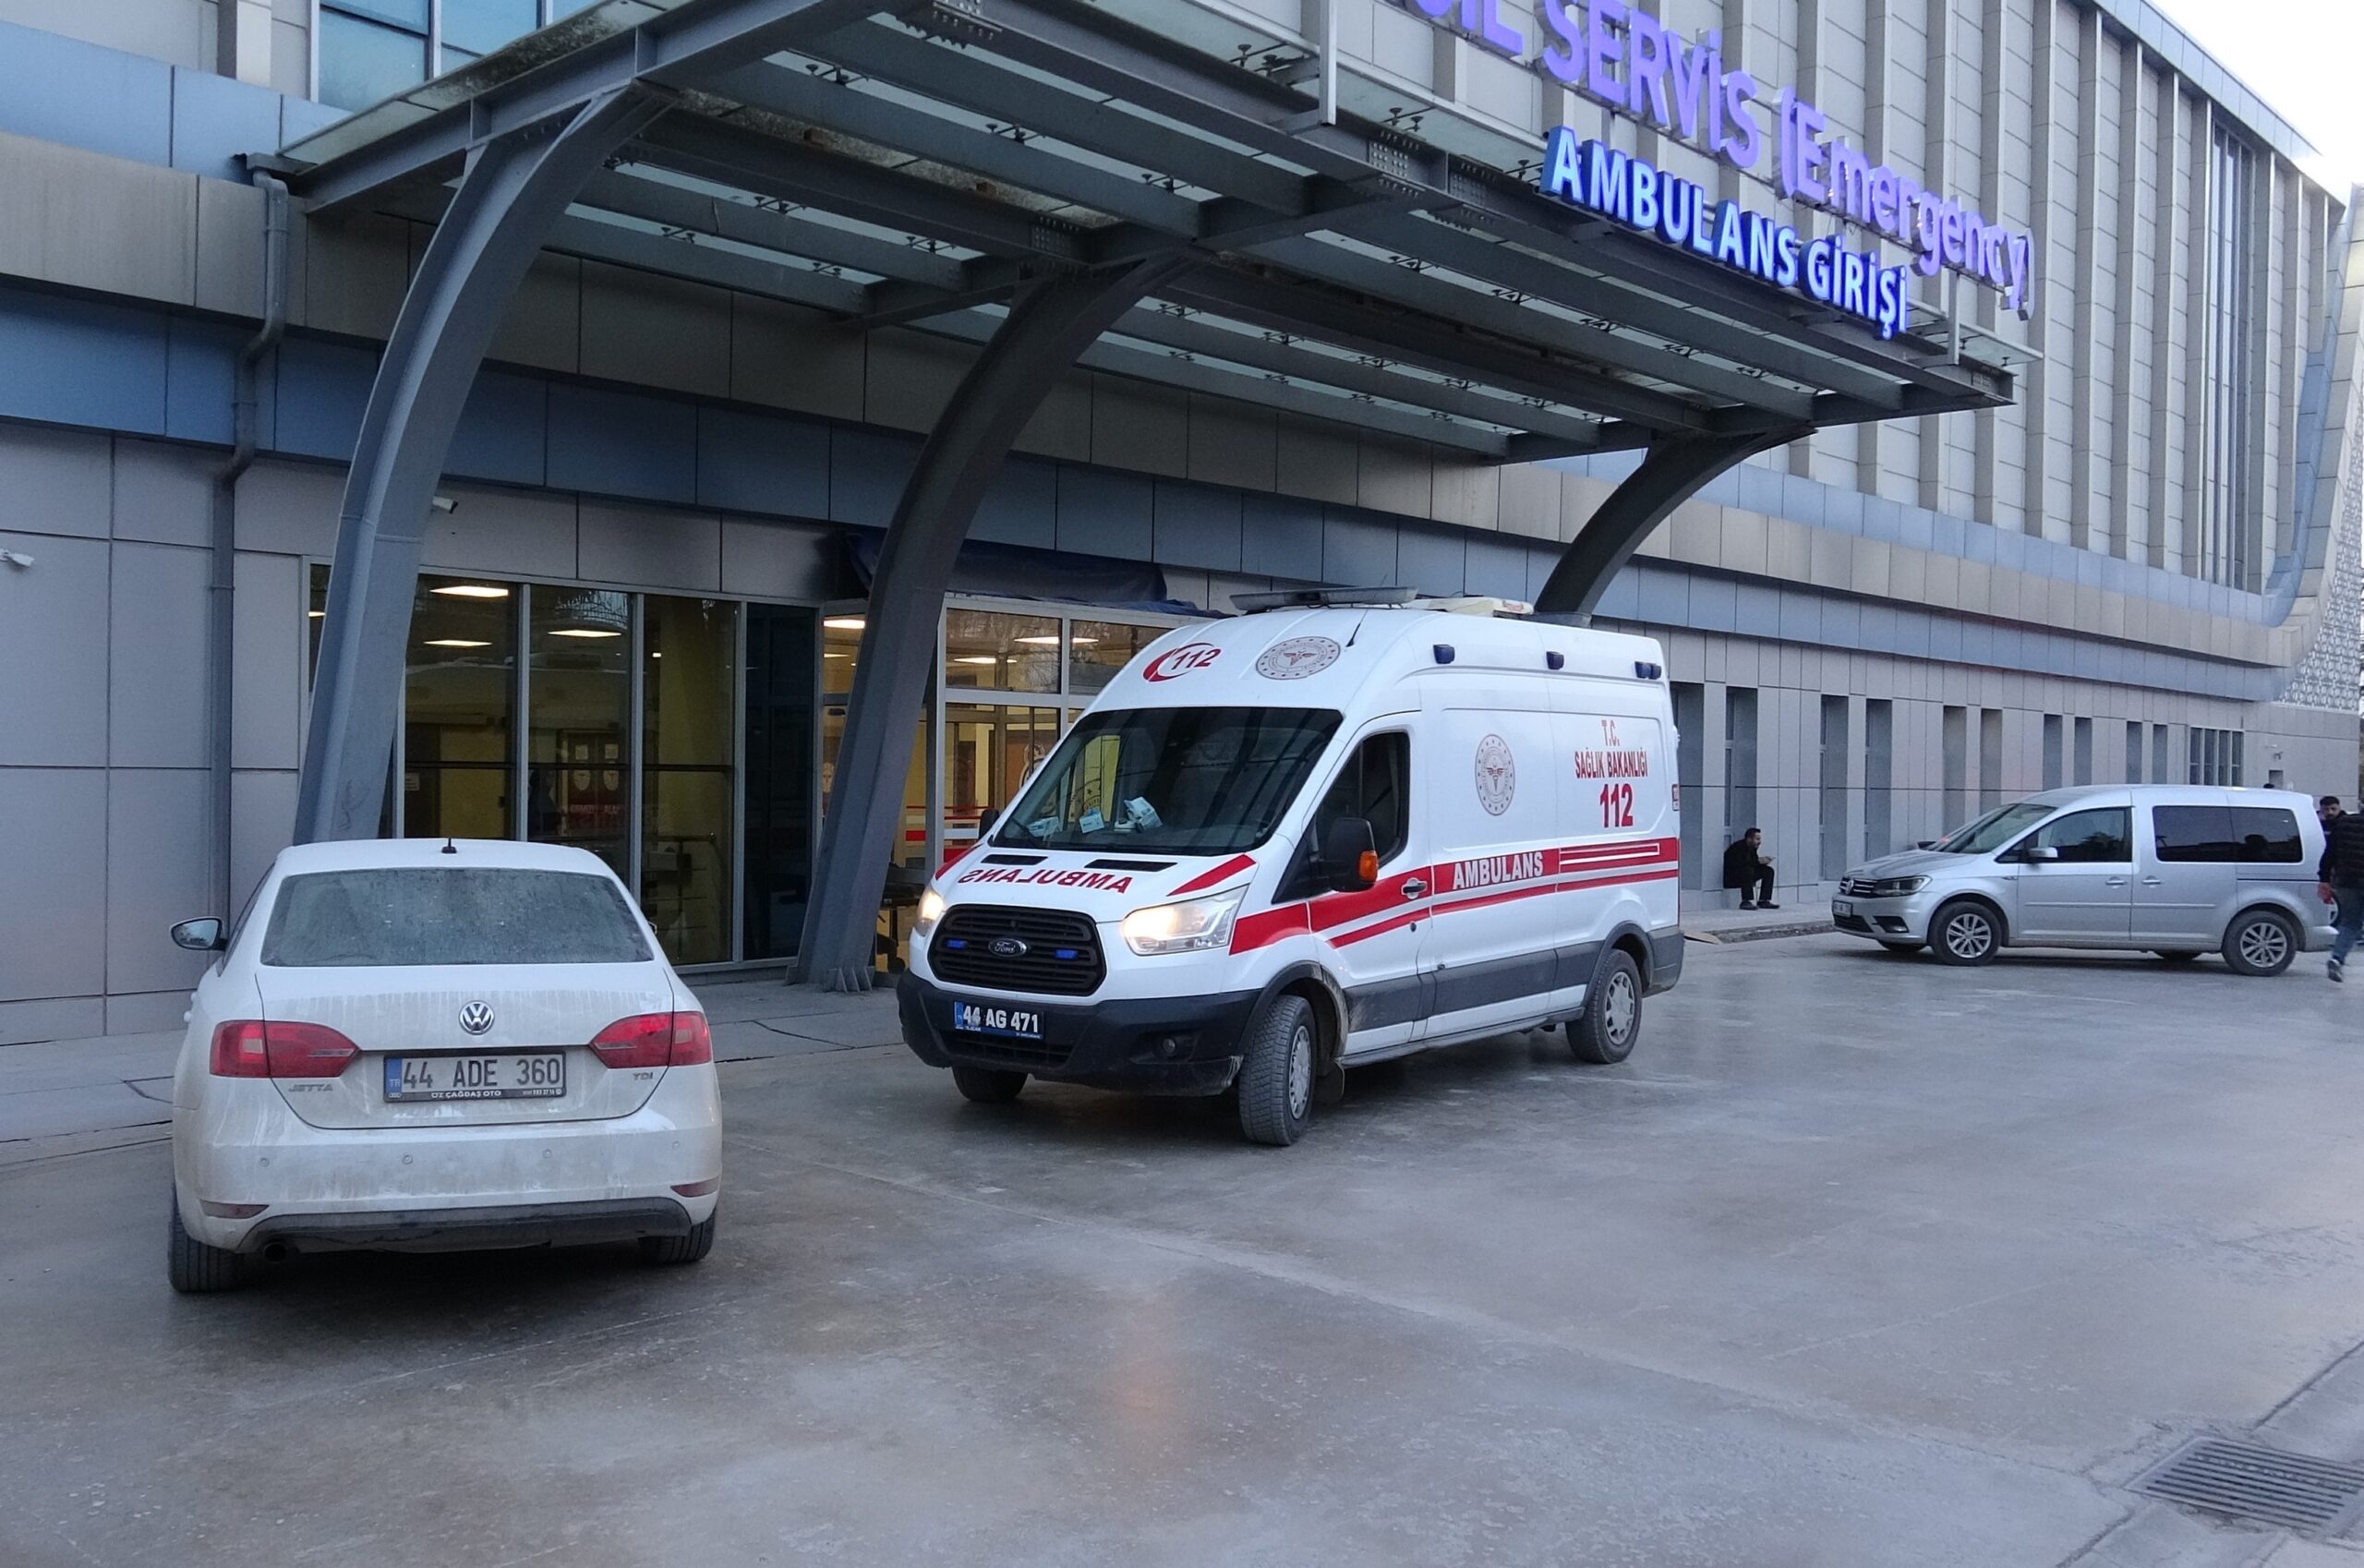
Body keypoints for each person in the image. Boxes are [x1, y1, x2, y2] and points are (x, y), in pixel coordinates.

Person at [2321, 805, 2364, 982]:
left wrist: (2324, 878)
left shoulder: (2344, 823)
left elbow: (2329, 853)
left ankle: (2337, 958)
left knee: (2350, 923)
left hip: (2347, 882)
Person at [1723, 827, 1779, 911]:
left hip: (1745, 875)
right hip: (1732, 877)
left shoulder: (1752, 848)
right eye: (1757, 839)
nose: (1760, 842)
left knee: (1768, 871)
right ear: (1749, 839)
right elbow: (1740, 864)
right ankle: (1746, 901)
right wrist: (1758, 861)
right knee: (1747, 871)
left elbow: (1753, 863)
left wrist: (1762, 862)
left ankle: (1764, 900)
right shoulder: (1737, 848)